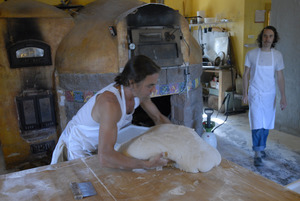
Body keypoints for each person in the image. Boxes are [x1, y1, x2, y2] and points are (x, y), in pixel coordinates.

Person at [51, 55, 171, 169]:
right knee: (90, 186)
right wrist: (147, 164)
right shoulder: (110, 103)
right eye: (150, 86)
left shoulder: (139, 93)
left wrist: (179, 137)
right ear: (132, 83)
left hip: (99, 145)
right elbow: (105, 157)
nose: (153, 90)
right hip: (78, 145)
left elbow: (158, 118)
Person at [242, 26, 287, 166]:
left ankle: (262, 147)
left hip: (269, 95)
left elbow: (280, 77)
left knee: (266, 124)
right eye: (265, 36)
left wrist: (283, 96)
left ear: (274, 39)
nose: (267, 39)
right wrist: (244, 93)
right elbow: (245, 75)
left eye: (270, 36)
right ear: (261, 37)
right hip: (255, 93)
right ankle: (257, 152)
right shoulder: (251, 54)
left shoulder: (278, 56)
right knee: (256, 123)